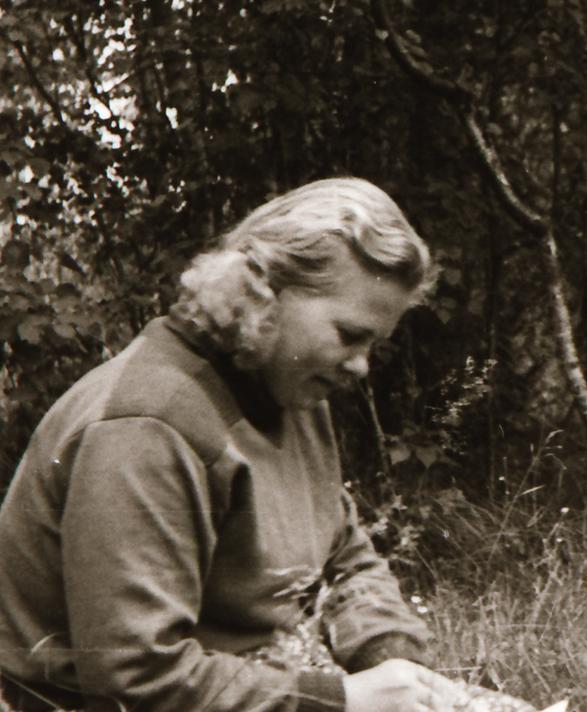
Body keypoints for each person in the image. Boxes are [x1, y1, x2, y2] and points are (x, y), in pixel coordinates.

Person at [0, 178, 466, 712]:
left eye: (374, 345)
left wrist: (394, 665)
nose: (361, 366)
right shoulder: (147, 427)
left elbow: (344, 556)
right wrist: (341, 701)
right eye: (348, 334)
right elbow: (134, 676)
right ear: (263, 292)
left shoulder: (293, 393)